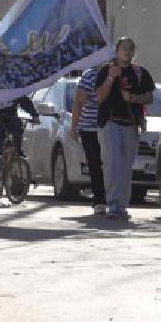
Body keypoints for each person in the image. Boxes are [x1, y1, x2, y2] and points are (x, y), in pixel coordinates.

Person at [94, 37, 155, 220]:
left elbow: (149, 97)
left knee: (125, 166)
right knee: (112, 163)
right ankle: (112, 202)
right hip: (110, 122)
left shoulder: (140, 73)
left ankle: (122, 204)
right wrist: (111, 77)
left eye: (130, 48)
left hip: (130, 123)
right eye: (123, 48)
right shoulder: (106, 70)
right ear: (117, 50)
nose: (127, 51)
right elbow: (99, 97)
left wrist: (133, 98)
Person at [69, 66, 107, 215]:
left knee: (111, 163)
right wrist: (74, 127)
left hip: (109, 127)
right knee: (95, 164)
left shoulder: (116, 72)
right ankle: (99, 201)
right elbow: (79, 102)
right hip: (90, 128)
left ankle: (115, 198)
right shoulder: (90, 75)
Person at [0, 95, 40, 191]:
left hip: (11, 118)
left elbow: (24, 100)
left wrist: (34, 115)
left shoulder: (13, 86)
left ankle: (18, 156)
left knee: (17, 132)